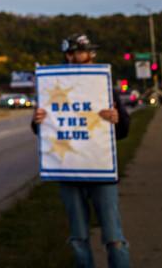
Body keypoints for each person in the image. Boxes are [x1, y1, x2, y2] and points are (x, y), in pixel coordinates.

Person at [31, 34, 131, 268]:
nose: (90, 57)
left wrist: (116, 119)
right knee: (78, 238)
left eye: (91, 52)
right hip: (69, 171)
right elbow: (43, 130)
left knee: (114, 237)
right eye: (85, 52)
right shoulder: (52, 86)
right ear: (70, 55)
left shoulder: (102, 84)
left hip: (100, 168)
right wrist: (39, 121)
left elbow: (124, 130)